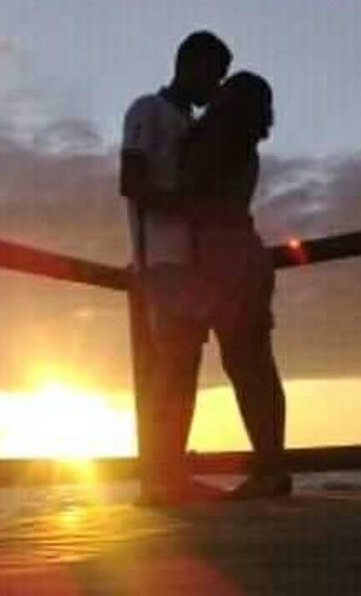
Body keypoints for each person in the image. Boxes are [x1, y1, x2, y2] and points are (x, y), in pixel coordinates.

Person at [120, 30, 232, 504]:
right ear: (188, 64)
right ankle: (161, 478)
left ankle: (172, 474)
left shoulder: (194, 125)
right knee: (170, 367)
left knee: (185, 367)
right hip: (161, 259)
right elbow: (132, 182)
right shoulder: (146, 110)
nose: (216, 85)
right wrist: (187, 206)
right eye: (214, 74)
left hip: (194, 262)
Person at [180, 71, 291, 499]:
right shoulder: (245, 148)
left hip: (224, 256)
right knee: (256, 365)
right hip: (246, 252)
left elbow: (187, 191)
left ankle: (269, 470)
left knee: (246, 366)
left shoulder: (217, 141)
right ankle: (271, 466)